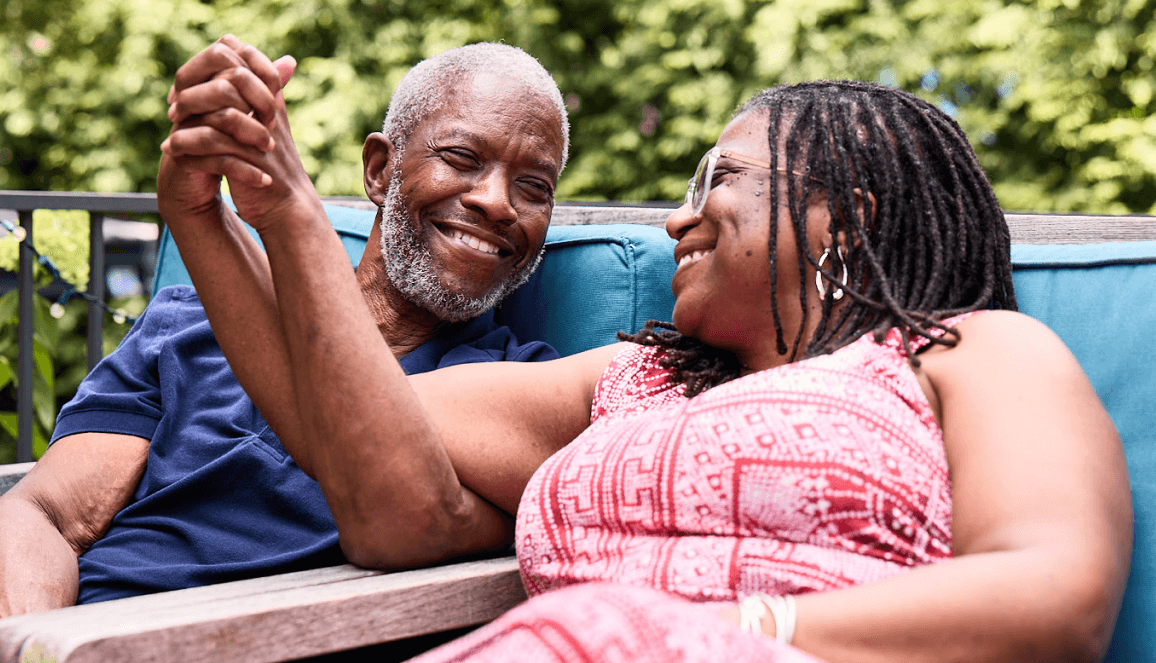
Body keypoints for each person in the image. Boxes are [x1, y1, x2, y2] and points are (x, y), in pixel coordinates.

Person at [178, 60, 1131, 663]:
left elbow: (1055, 594)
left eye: (719, 180)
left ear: (845, 215)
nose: (677, 217)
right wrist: (252, 215)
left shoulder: (968, 351)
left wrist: (710, 633)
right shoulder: (629, 381)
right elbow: (355, 442)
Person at [0, 36, 570, 615]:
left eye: (534, 188)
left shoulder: (523, 393)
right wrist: (40, 642)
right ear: (380, 170)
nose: (498, 203)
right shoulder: (187, 323)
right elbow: (46, 515)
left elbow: (421, 530)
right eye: (462, 158)